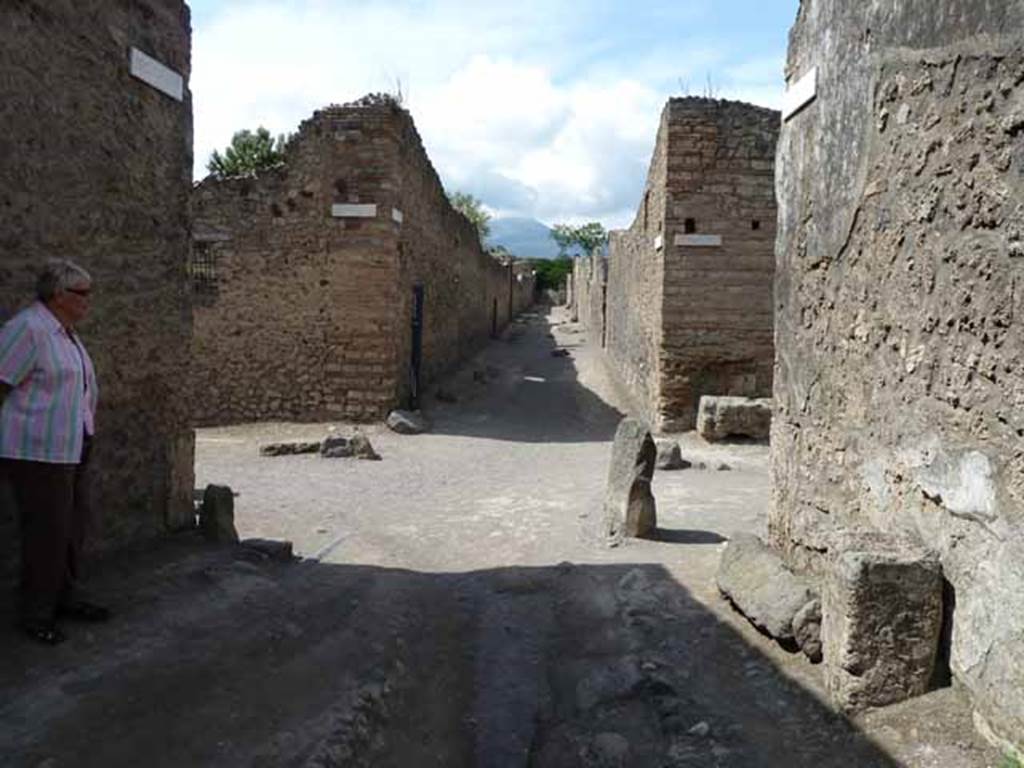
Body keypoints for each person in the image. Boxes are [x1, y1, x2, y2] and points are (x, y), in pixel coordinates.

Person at [0, 259, 109, 644]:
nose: (88, 301)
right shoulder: (28, 329)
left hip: (71, 445)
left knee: (71, 528)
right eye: (83, 293)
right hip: (37, 451)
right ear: (58, 295)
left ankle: (65, 597)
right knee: (46, 532)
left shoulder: (65, 333)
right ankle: (36, 613)